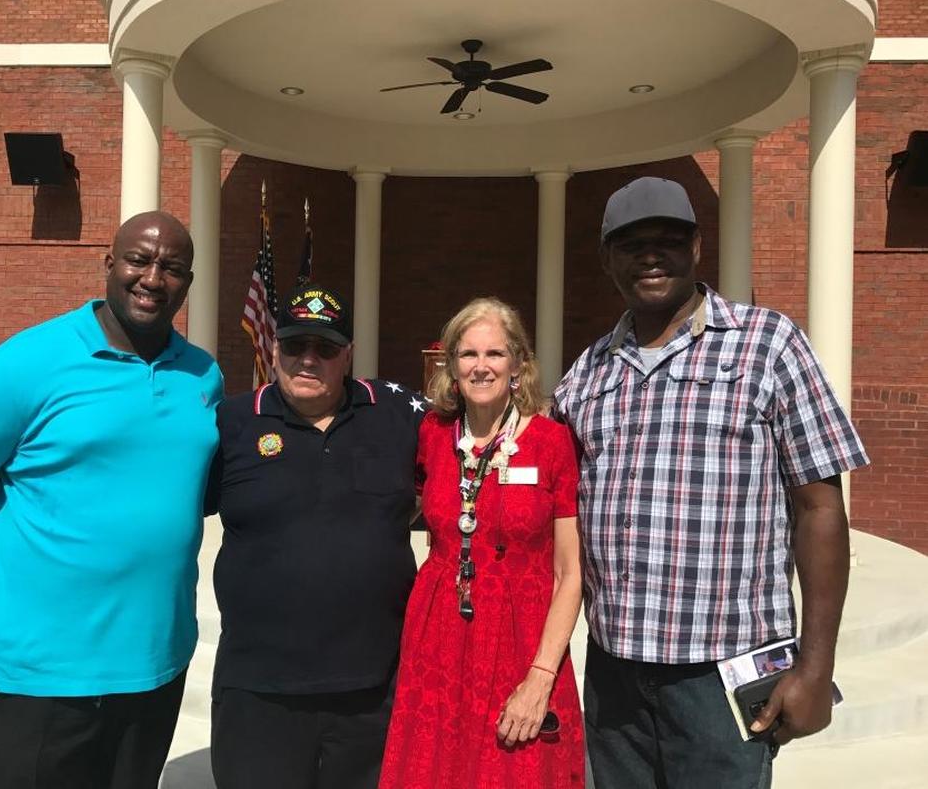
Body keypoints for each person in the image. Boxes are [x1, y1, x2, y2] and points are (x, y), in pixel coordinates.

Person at [554, 176, 870, 789]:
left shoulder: (767, 345)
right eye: (631, 243)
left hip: (723, 676)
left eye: (669, 240)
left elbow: (819, 509)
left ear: (697, 248)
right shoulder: (587, 373)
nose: (651, 255)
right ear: (607, 259)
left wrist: (816, 663)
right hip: (615, 672)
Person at [0, 212, 222, 789]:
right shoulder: (27, 362)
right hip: (43, 670)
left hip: (155, 660)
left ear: (187, 281)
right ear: (109, 263)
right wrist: (5, 568)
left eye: (172, 268)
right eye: (138, 259)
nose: (153, 278)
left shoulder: (200, 374)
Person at [205, 283, 426, 789]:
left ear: (347, 355)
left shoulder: (397, 415)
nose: (308, 360)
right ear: (274, 348)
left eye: (325, 348)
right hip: (257, 692)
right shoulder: (232, 423)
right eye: (295, 345)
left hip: (374, 692)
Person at [379, 297, 585, 789]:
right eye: (468, 354)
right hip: (439, 638)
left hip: (524, 637)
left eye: (495, 354)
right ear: (451, 365)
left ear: (517, 363)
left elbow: (569, 572)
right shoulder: (432, 434)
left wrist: (540, 677)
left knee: (518, 768)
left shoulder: (552, 442)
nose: (481, 366)